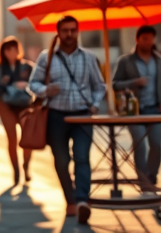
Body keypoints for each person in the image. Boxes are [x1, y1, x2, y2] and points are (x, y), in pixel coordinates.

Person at [29, 16, 106, 225]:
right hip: (56, 116)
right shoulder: (47, 58)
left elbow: (100, 86)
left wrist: (95, 104)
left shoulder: (88, 57)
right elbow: (32, 83)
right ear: (58, 32)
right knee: (62, 161)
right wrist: (46, 90)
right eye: (65, 30)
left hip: (82, 115)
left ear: (78, 31)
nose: (69, 34)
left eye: (73, 30)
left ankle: (82, 201)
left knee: (82, 158)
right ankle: (70, 198)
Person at [112, 25, 161, 189]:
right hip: (134, 110)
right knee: (139, 144)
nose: (148, 42)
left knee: (156, 145)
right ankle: (142, 180)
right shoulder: (125, 61)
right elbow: (115, 84)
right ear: (137, 39)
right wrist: (134, 82)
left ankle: (151, 176)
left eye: (151, 39)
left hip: (156, 109)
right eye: (145, 38)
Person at [0, 36, 35, 185]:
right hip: (6, 105)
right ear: (3, 52)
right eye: (8, 50)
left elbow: (37, 85)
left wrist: (25, 85)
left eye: (14, 49)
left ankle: (26, 166)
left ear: (18, 49)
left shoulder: (27, 67)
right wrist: (6, 86)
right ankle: (15, 170)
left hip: (25, 105)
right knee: (12, 139)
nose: (11, 52)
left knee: (28, 139)